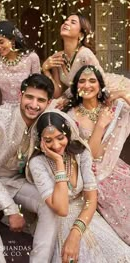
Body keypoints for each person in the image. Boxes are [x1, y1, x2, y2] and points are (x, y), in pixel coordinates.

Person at [0, 74, 58, 263]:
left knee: (50, 205)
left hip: (19, 181)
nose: (34, 105)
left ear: (49, 102)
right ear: (20, 95)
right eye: (29, 97)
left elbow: (70, 134)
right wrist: (11, 209)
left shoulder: (46, 122)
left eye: (41, 100)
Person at [28, 110, 130, 262]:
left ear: (68, 134)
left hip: (86, 214)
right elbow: (61, 208)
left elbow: (91, 199)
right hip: (57, 220)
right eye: (48, 140)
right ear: (40, 141)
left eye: (60, 138)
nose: (56, 145)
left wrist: (75, 233)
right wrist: (59, 162)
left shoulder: (81, 153)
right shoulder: (37, 163)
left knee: (121, 254)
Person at [64, 64, 130, 245]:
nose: (87, 85)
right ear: (76, 87)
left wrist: (123, 95)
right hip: (92, 171)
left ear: (100, 86)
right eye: (82, 81)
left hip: (115, 166)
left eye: (92, 80)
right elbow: (90, 154)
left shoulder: (113, 107)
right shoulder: (71, 116)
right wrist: (100, 125)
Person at [42, 12, 130, 100]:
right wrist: (46, 70)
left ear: (81, 35)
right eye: (66, 20)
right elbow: (57, 94)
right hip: (81, 97)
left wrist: (69, 99)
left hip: (106, 92)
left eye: (73, 22)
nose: (66, 23)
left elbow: (101, 84)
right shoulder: (56, 58)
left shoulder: (85, 55)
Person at [0, 20, 41, 104]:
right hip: (4, 109)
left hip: (28, 108)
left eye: (1, 42)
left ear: (12, 40)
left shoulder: (31, 58)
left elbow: (38, 88)